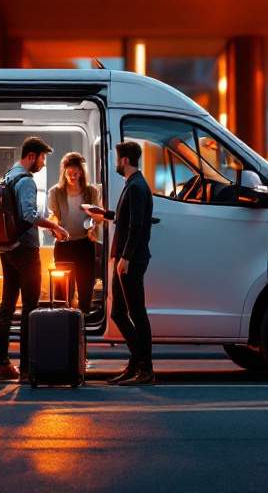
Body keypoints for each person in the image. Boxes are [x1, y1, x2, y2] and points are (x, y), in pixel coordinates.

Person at [0, 136, 71, 382]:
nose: (43, 163)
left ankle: (2, 364)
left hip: (7, 249)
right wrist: (54, 227)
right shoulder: (25, 180)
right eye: (42, 158)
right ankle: (27, 369)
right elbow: (28, 215)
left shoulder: (9, 175)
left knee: (6, 307)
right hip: (26, 251)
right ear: (31, 156)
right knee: (30, 309)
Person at [107, 140, 156, 385]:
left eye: (118, 160)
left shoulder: (136, 186)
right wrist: (105, 215)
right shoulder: (134, 184)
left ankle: (145, 369)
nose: (117, 164)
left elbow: (137, 225)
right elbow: (127, 218)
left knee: (137, 313)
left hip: (131, 260)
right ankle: (136, 363)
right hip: (125, 259)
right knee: (118, 312)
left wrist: (125, 257)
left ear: (125, 160)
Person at [47, 152, 102, 311]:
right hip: (64, 244)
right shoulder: (55, 192)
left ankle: (83, 319)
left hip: (85, 244)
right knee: (63, 288)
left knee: (86, 286)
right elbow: (53, 215)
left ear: (82, 173)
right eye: (69, 173)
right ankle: (63, 321)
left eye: (76, 174)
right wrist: (55, 227)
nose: (73, 177)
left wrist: (93, 226)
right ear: (64, 173)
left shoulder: (91, 191)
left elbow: (97, 216)